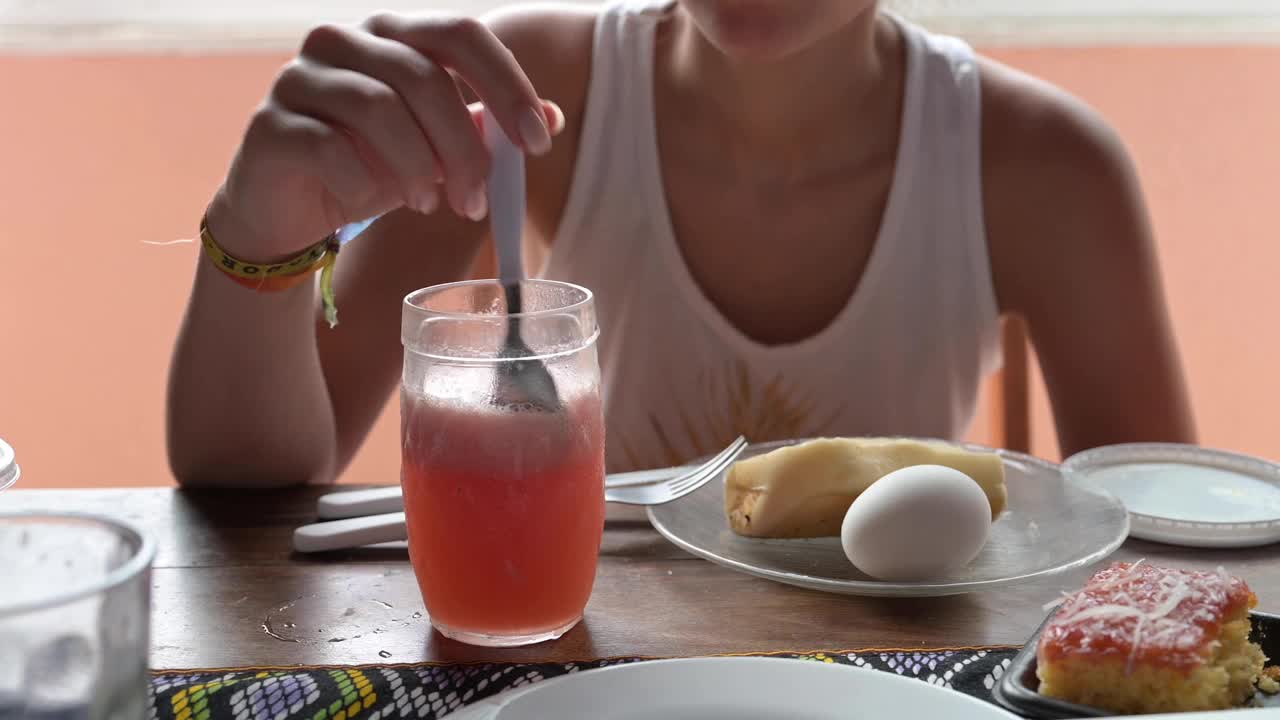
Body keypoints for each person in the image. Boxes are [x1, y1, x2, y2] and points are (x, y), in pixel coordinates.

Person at [166, 0, 1195, 487]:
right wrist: (258, 234)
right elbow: (253, 486)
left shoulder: (1045, 171)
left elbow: (1173, 559)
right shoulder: (517, 94)